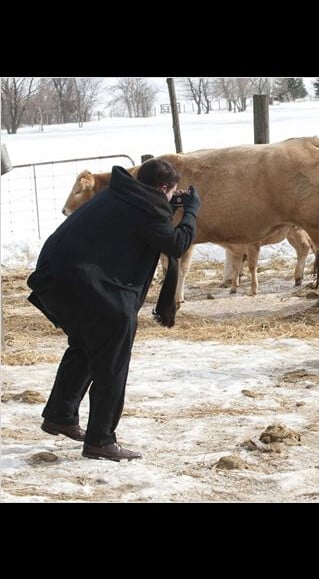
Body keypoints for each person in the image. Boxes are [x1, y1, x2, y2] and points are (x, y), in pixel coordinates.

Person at [27, 159, 201, 462]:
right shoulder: (147, 208)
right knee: (112, 360)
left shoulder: (123, 194)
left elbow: (147, 226)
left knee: (87, 344)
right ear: (162, 189)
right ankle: (101, 440)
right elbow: (176, 243)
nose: (173, 199)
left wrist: (170, 206)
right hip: (85, 286)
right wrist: (192, 211)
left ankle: (61, 415)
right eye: (172, 193)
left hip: (56, 278)